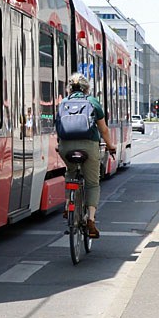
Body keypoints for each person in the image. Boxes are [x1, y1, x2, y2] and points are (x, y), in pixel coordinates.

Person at [57, 72, 117, 239]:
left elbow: (58, 126)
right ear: (86, 88)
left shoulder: (63, 103)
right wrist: (111, 146)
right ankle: (90, 219)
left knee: (70, 173)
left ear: (69, 88)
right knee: (92, 183)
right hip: (89, 146)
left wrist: (60, 145)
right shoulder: (92, 102)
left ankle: (69, 204)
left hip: (65, 146)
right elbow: (103, 129)